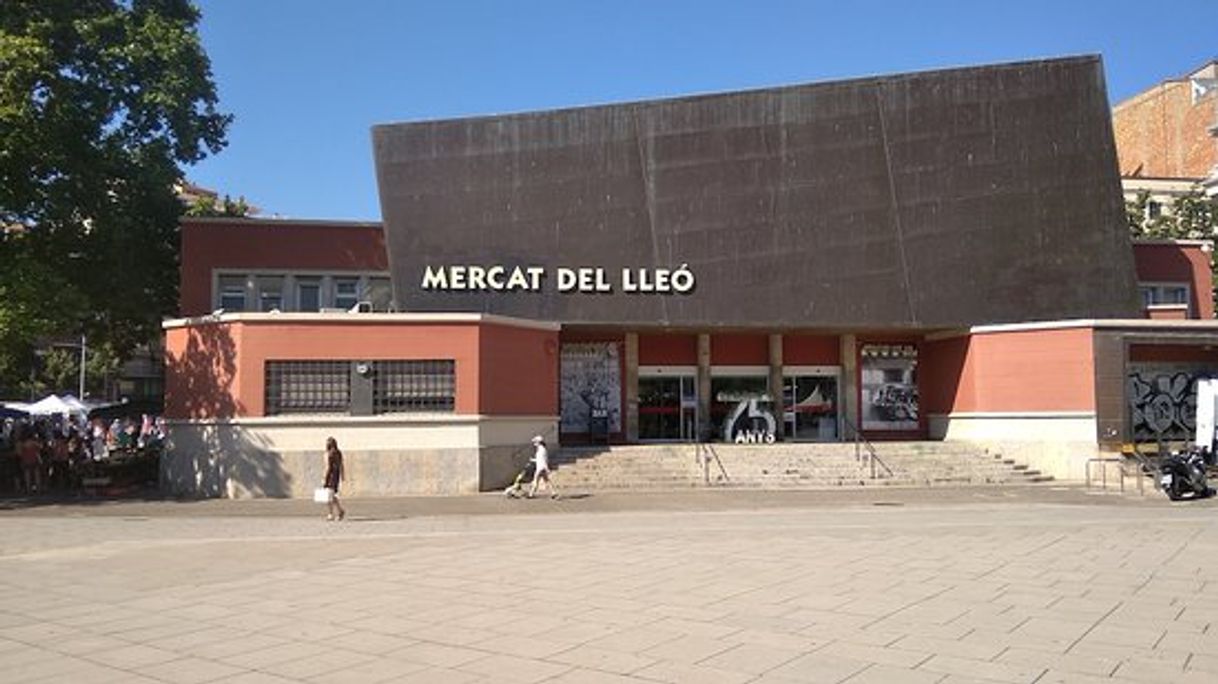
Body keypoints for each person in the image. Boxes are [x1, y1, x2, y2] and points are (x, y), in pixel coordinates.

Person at [527, 435, 559, 500]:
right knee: (546, 480)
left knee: (535, 480)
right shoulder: (541, 449)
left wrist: (546, 468)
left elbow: (543, 460)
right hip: (541, 467)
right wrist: (532, 460)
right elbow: (539, 459)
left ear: (538, 442)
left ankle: (531, 494)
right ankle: (553, 493)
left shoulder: (542, 450)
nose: (534, 444)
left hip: (540, 468)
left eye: (535, 442)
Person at [322, 436, 346, 521]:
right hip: (336, 476)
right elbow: (341, 465)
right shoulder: (338, 453)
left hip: (331, 477)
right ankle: (338, 511)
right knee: (331, 495)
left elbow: (328, 467)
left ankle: (332, 513)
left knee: (329, 496)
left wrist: (325, 479)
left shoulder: (329, 454)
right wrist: (342, 475)